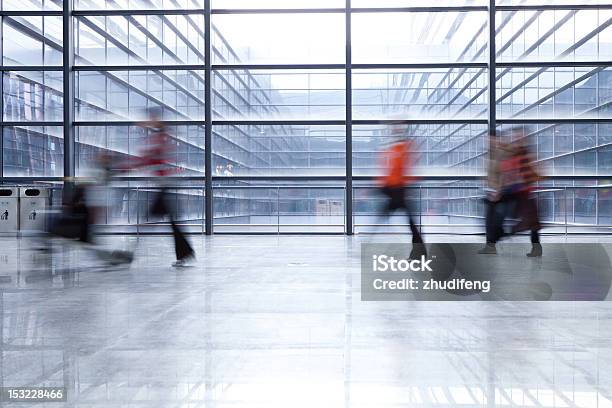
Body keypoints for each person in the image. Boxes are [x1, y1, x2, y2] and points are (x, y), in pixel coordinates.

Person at [122, 108, 195, 267]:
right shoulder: (161, 138)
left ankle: (129, 253)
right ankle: (185, 253)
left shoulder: (159, 139)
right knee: (164, 221)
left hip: (164, 187)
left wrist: (125, 168)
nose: (146, 121)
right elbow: (149, 159)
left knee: (149, 221)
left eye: (150, 118)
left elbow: (147, 160)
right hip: (165, 187)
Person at [479, 131, 542, 257]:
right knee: (495, 217)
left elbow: (510, 172)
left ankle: (500, 237)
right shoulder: (491, 154)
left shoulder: (516, 153)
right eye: (488, 140)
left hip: (517, 191)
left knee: (530, 221)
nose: (490, 142)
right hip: (509, 191)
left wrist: (500, 189)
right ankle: (493, 243)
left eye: (492, 140)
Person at [376, 124, 425, 258]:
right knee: (410, 222)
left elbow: (404, 167)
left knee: (410, 222)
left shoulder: (404, 147)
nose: (395, 131)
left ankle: (419, 252)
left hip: (401, 190)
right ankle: (419, 252)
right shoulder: (395, 147)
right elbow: (389, 168)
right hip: (396, 189)